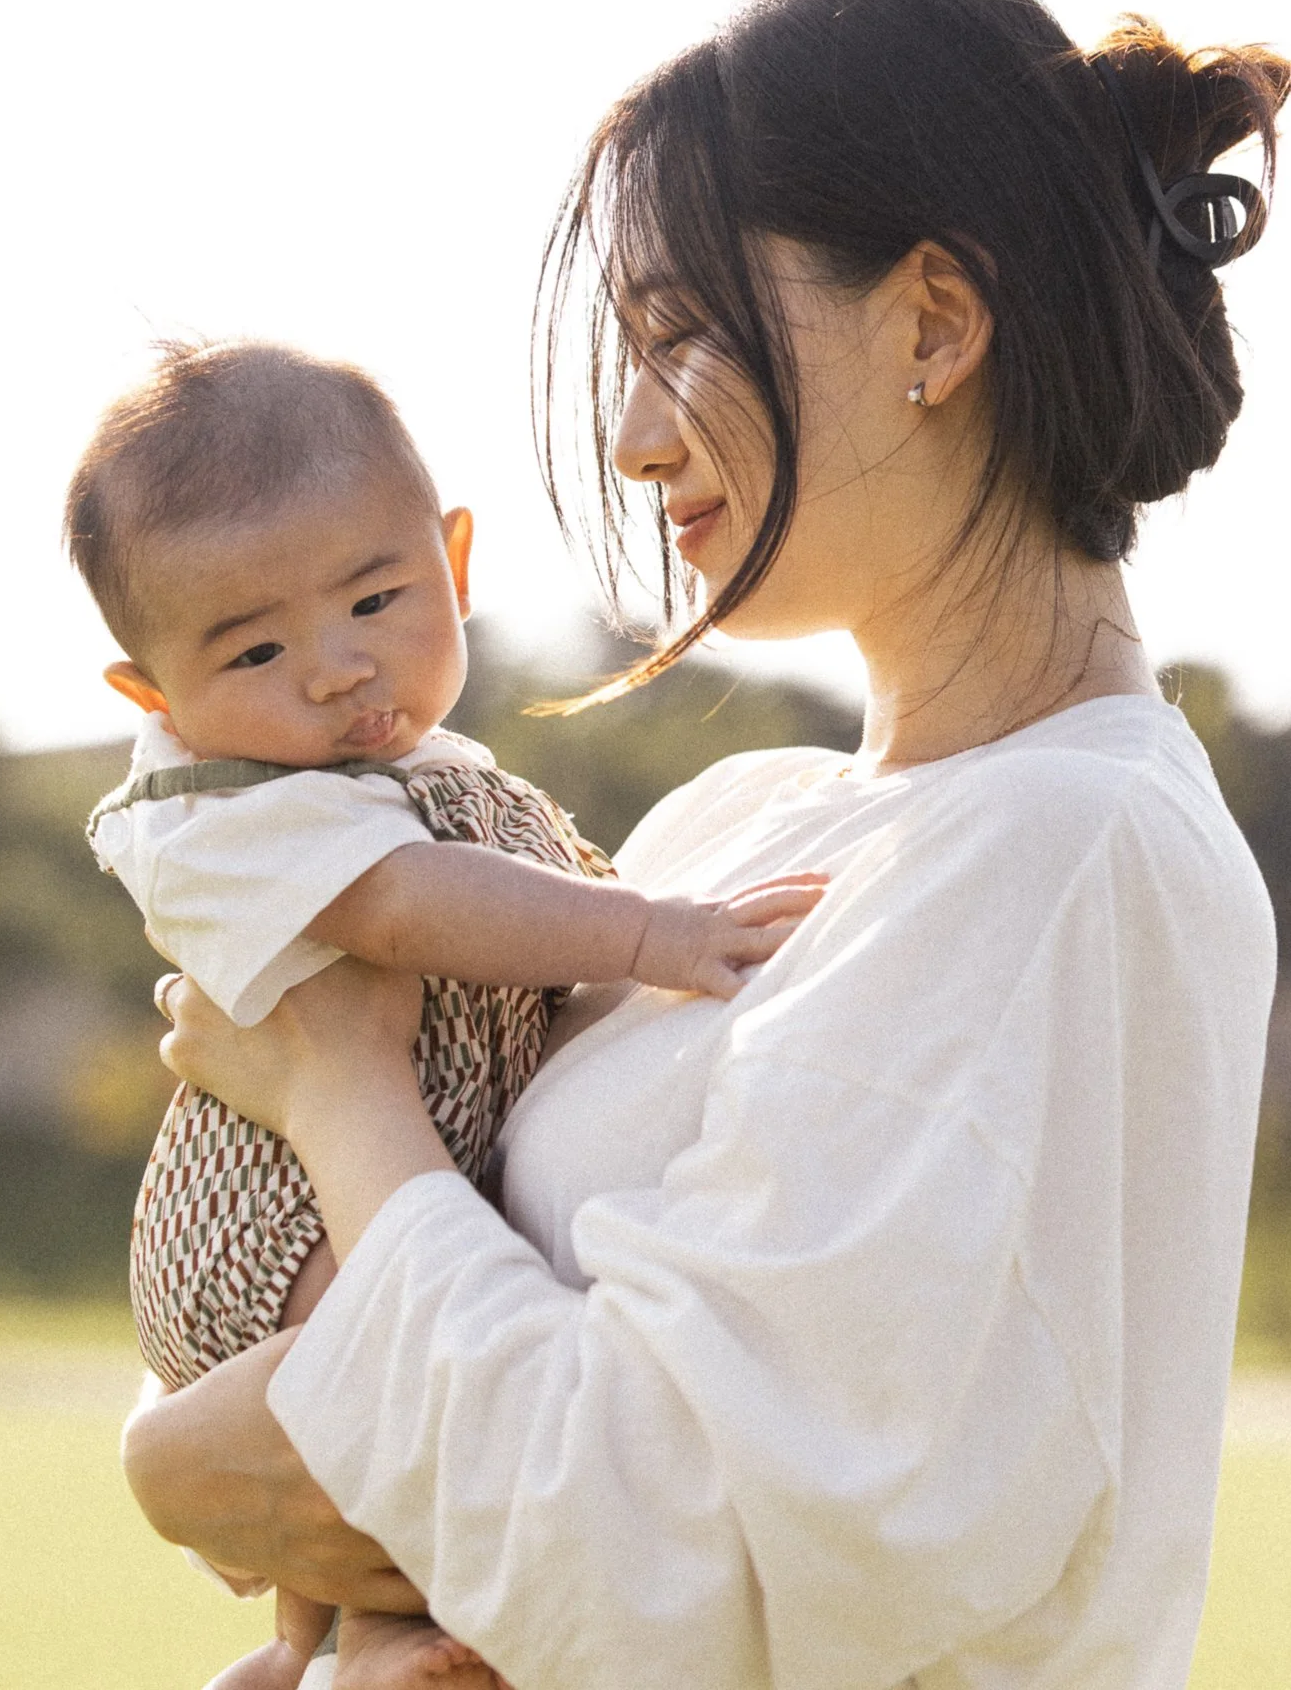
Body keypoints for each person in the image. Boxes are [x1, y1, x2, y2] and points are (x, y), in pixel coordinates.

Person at [122, 0, 1288, 1690]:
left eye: (682, 336)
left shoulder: (1062, 857)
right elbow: (410, 1360)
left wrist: (331, 1081)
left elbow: (636, 1553)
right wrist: (177, 1456)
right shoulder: (725, 830)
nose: (633, 431)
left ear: (933, 326)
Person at [66, 339, 821, 1689]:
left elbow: (519, 918)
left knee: (403, 1395)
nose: (337, 669)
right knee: (415, 1392)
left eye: (375, 599)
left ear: (451, 559)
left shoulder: (425, 765)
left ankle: (299, 1651)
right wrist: (653, 931)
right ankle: (377, 1645)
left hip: (374, 1163)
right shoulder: (224, 810)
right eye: (255, 649)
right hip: (267, 1213)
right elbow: (413, 912)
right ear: (155, 697)